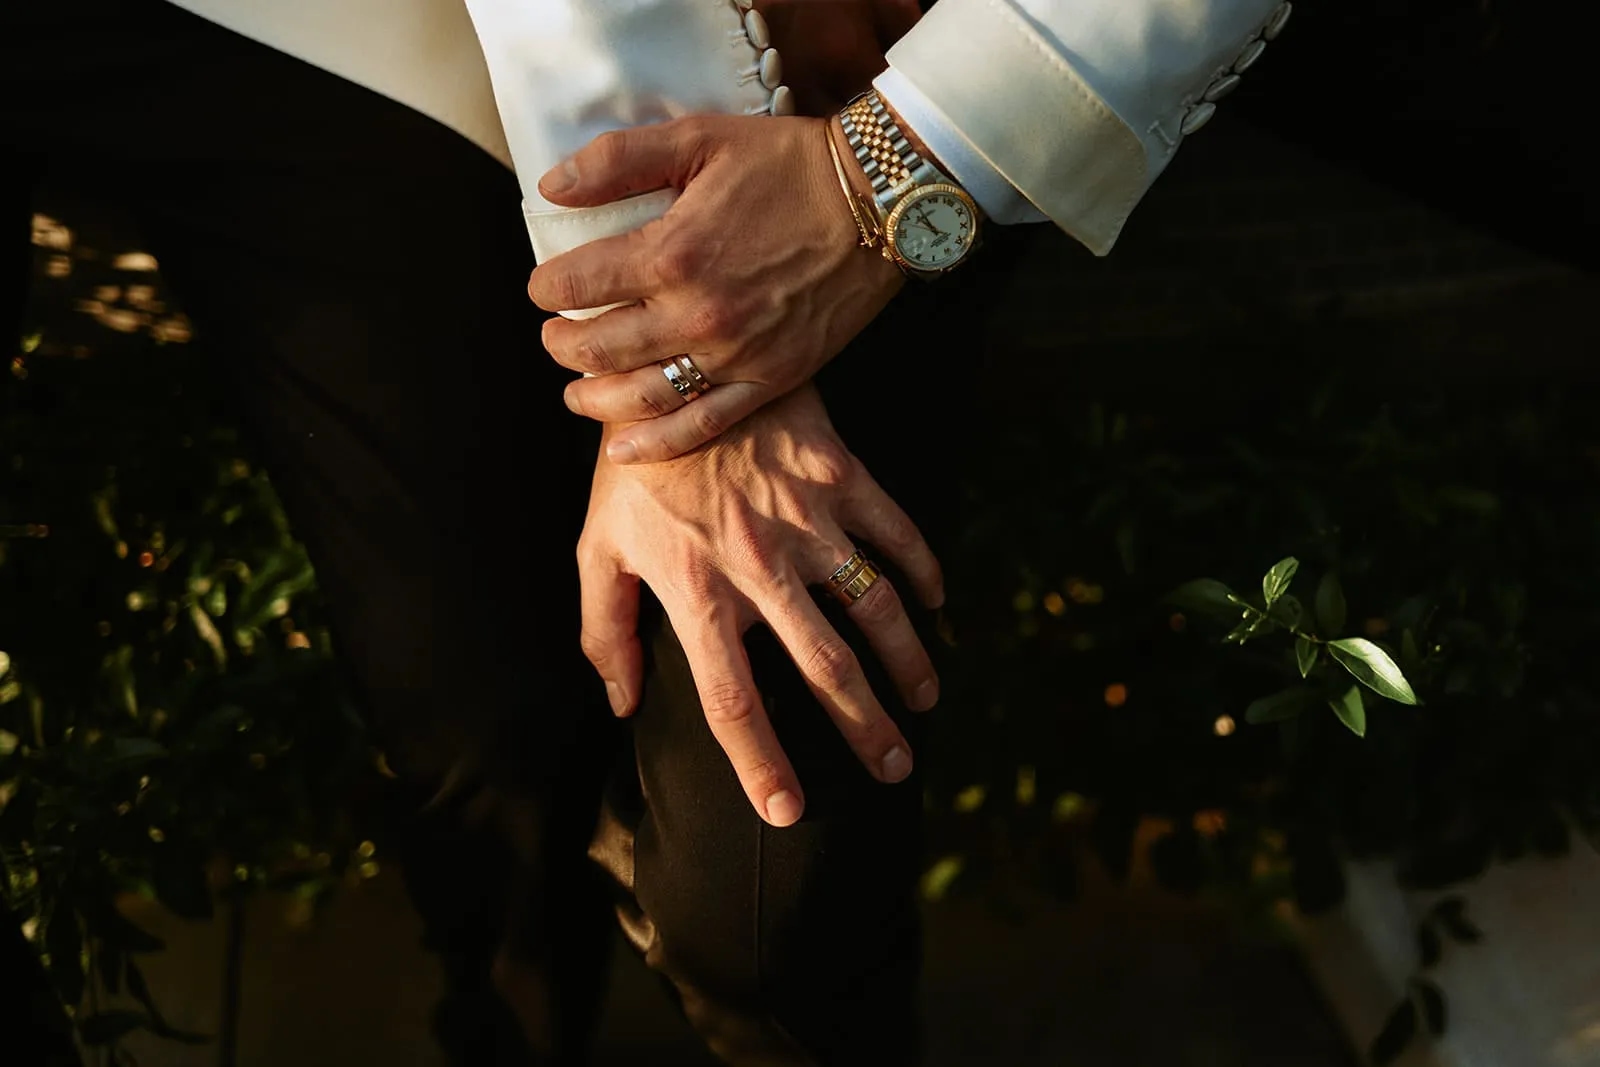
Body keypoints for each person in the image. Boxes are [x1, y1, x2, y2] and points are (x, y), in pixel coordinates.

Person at [9, 1, 1590, 1065]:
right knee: (480, 725)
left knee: (768, 899)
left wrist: (889, 173)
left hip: (912, 43)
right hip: (409, 59)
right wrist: (679, 330)